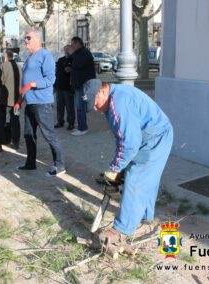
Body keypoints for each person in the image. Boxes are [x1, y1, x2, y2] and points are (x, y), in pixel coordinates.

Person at [84, 79, 173, 251]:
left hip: (155, 138)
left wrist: (114, 170)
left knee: (136, 180)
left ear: (102, 91)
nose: (94, 108)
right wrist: (118, 168)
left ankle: (120, 230)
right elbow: (122, 138)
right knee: (148, 178)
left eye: (95, 103)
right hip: (153, 134)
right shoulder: (113, 98)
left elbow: (129, 143)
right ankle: (145, 215)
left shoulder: (119, 104)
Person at [14, 30, 65, 177]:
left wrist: (32, 85)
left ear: (37, 39)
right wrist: (19, 100)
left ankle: (60, 165)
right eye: (24, 38)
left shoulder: (45, 55)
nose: (25, 41)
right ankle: (30, 164)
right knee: (29, 134)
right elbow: (25, 84)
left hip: (42, 103)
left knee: (49, 135)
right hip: (29, 103)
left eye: (28, 38)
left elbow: (50, 80)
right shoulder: (29, 57)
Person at [0, 50, 22, 152]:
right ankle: (16, 142)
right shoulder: (19, 66)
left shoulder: (3, 66)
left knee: (0, 120)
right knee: (15, 120)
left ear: (5, 57)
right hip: (17, 99)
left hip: (4, 99)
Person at [69, 36, 96, 136]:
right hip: (78, 84)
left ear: (77, 44)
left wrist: (72, 54)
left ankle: (83, 128)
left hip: (83, 84)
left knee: (81, 107)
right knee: (80, 106)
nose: (71, 47)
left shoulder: (85, 52)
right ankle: (81, 126)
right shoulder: (78, 53)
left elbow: (80, 64)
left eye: (72, 44)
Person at [54, 45, 75, 130]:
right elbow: (57, 74)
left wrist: (71, 69)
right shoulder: (60, 60)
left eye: (68, 49)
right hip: (59, 87)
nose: (66, 51)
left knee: (69, 107)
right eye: (65, 49)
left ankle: (71, 123)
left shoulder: (74, 60)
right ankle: (60, 121)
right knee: (59, 106)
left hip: (68, 88)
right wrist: (55, 85)